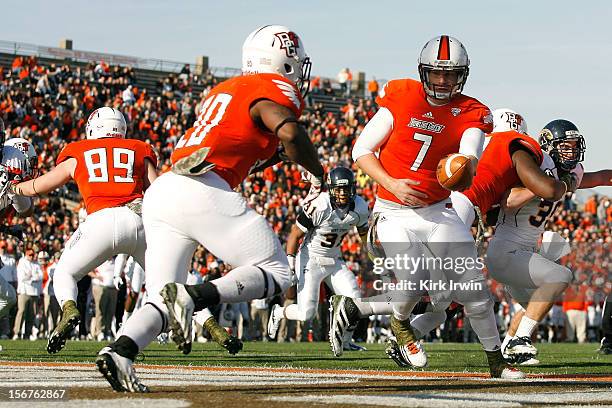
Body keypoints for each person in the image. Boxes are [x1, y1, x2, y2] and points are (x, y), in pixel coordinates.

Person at [94, 25, 323, 393]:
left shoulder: (224, 91)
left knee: (160, 298)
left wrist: (273, 156)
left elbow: (241, 148)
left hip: (165, 189)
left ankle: (120, 352)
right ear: (283, 60)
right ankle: (196, 296)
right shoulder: (269, 90)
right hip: (199, 188)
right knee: (279, 272)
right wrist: (319, 173)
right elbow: (291, 134)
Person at [329, 35, 525, 379]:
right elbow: (362, 149)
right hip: (392, 210)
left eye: (450, 74)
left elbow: (469, 155)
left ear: (462, 75)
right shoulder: (402, 96)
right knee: (412, 274)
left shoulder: (472, 112)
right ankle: (401, 323)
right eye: (436, 73)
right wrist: (392, 184)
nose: (442, 81)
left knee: (474, 291)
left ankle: (496, 362)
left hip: (439, 209)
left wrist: (465, 164)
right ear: (423, 71)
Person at [9, 107, 158, 354]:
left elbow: (40, 186)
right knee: (167, 281)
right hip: (139, 219)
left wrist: (14, 188)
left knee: (64, 273)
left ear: (93, 128)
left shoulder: (78, 151)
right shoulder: (139, 148)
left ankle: (69, 309)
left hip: (99, 221)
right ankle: (207, 325)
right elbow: (157, 190)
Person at [267, 167, 369, 352]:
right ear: (330, 189)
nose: (342, 193)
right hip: (311, 259)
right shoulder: (320, 205)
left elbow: (363, 234)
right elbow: (294, 235)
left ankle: (345, 342)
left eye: (346, 189)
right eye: (338, 189)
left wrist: (372, 253)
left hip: (335, 260)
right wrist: (290, 265)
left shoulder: (360, 206)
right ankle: (279, 312)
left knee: (356, 302)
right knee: (306, 313)